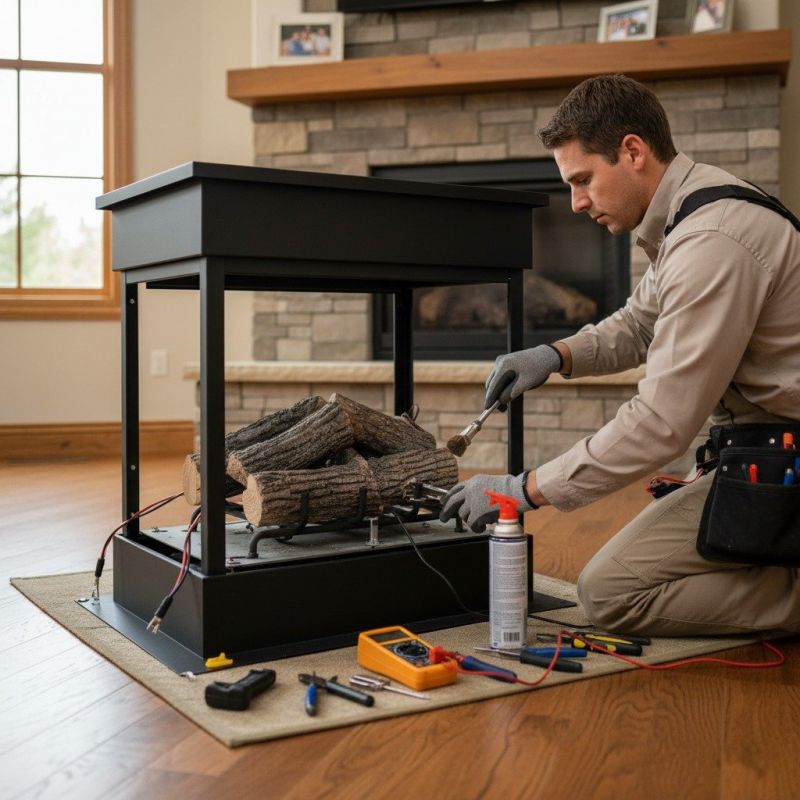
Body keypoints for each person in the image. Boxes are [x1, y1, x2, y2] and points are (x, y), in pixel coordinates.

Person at [440, 74, 800, 637]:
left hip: (785, 458)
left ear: (632, 151)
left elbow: (662, 423)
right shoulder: (690, 214)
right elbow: (637, 325)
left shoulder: (712, 240)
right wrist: (554, 353)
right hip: (760, 447)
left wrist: (524, 489)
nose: (577, 203)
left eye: (582, 180)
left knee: (610, 594)